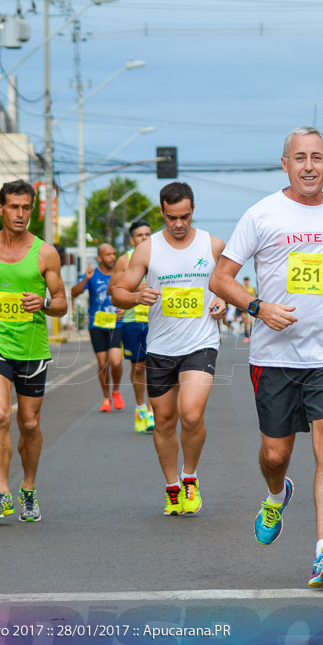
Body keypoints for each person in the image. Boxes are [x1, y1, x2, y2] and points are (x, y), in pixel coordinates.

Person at [209, 126, 323, 589]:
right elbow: (221, 278)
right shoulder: (262, 215)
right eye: (299, 157)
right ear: (285, 164)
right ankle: (276, 494)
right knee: (275, 452)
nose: (308, 166)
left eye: (317, 157)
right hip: (275, 355)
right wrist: (258, 307)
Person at [112, 182, 227, 517]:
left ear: (193, 211)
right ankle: (172, 486)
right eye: (173, 217)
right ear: (162, 212)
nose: (179, 224)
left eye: (186, 216)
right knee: (163, 420)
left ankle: (189, 476)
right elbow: (119, 291)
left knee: (191, 413)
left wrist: (222, 300)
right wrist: (136, 297)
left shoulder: (212, 245)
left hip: (201, 342)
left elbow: (228, 283)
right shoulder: (148, 249)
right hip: (161, 346)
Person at [0, 179, 68, 523]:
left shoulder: (45, 253)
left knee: (29, 422)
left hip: (32, 349)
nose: (21, 214)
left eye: (26, 207)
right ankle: (2, 494)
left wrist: (45, 302)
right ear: (0, 209)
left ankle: (29, 488)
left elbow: (63, 305)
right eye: (14, 207)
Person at [112, 221, 156, 434]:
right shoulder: (124, 260)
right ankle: (140, 408)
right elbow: (113, 289)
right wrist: (133, 291)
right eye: (139, 235)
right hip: (132, 320)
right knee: (138, 367)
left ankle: (152, 411)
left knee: (155, 366)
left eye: (148, 234)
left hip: (157, 319)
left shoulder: (160, 255)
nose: (144, 238)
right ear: (132, 239)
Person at [71, 243, 125, 413]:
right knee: (103, 364)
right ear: (100, 258)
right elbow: (74, 292)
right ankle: (106, 397)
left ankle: (116, 390)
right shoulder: (92, 275)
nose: (112, 257)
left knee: (115, 361)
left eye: (113, 253)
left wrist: (124, 306)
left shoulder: (121, 274)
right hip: (97, 324)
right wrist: (86, 279)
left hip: (115, 324)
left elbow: (129, 293)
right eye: (108, 254)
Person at [242, 276, 257, 343]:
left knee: (250, 322)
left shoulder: (252, 288)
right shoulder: (242, 288)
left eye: (247, 281)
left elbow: (256, 296)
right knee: (245, 322)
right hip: (243, 307)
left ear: (248, 281)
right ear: (244, 282)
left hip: (251, 307)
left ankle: (250, 335)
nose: (246, 282)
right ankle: (246, 336)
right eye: (245, 281)